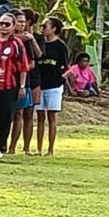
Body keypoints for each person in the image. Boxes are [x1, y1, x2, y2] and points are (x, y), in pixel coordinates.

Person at [0, 13, 30, 159]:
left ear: (13, 26)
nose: (3, 26)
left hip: (9, 86)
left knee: (5, 117)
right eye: (1, 23)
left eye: (7, 24)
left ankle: (0, 147)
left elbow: (23, 67)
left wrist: (22, 86)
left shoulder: (17, 43)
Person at [8, 9, 43, 155]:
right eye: (19, 22)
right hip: (6, 80)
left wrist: (17, 68)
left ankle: (16, 147)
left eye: (24, 22)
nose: (22, 24)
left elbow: (34, 60)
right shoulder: (2, 38)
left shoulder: (28, 40)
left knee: (21, 114)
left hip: (25, 81)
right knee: (7, 114)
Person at [35, 17, 69, 156]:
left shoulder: (61, 46)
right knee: (40, 117)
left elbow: (65, 66)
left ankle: (50, 149)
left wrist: (60, 77)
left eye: (45, 26)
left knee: (51, 117)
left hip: (54, 85)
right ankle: (38, 148)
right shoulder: (39, 43)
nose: (42, 29)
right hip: (40, 84)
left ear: (54, 29)